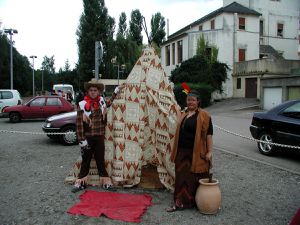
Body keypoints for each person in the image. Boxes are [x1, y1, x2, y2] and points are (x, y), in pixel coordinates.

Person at [72, 79, 124, 192]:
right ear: (87, 91)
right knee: (86, 160)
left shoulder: (102, 102)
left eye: (95, 90)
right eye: (91, 90)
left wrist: (115, 91)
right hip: (88, 137)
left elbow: (110, 102)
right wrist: (81, 139)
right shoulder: (82, 105)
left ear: (98, 91)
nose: (93, 92)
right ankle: (81, 182)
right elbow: (79, 124)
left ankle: (106, 182)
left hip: (100, 136)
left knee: (100, 160)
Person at [167, 89, 213, 212]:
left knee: (194, 177)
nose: (190, 102)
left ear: (198, 101)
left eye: (193, 100)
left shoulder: (204, 115)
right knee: (181, 178)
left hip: (196, 153)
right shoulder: (184, 114)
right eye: (188, 100)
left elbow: (209, 134)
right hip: (182, 152)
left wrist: (209, 151)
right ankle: (180, 202)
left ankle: (196, 201)